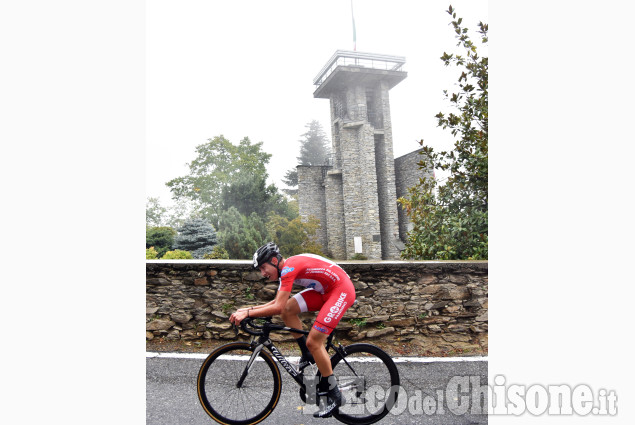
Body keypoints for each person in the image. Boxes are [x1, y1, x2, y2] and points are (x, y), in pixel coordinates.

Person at [229, 242, 356, 418]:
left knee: (314, 341)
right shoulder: (285, 271)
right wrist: (248, 310)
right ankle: (307, 355)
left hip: (341, 290)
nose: (263, 273)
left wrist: (249, 313)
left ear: (274, 261)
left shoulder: (288, 269)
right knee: (289, 310)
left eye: (264, 268)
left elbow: (277, 306)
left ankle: (335, 396)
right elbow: (278, 304)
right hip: (324, 290)